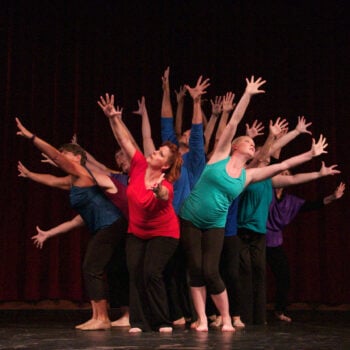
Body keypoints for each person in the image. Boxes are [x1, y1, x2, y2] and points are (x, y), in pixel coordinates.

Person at [178, 75, 329, 332]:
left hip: (216, 222)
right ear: (236, 146)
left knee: (211, 271)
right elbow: (234, 120)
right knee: (194, 269)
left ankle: (226, 317)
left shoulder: (249, 175)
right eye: (248, 142)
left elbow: (282, 165)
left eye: (252, 144)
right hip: (191, 217)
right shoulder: (219, 156)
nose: (252, 145)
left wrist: (310, 154)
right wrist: (247, 94)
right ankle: (201, 319)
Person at [16, 119, 128, 331]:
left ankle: (102, 318)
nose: (62, 158)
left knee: (91, 267)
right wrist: (30, 175)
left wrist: (32, 138)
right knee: (94, 268)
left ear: (77, 157)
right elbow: (51, 179)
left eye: (66, 155)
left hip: (112, 223)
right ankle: (97, 316)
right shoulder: (72, 180)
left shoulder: (82, 172)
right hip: (106, 226)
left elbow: (56, 158)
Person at [98, 93, 183, 333]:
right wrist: (113, 118)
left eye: (160, 154)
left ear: (165, 165)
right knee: (135, 271)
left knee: (151, 272)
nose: (154, 152)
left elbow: (165, 198)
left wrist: (158, 193)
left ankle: (162, 321)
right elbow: (126, 141)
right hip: (136, 231)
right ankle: (139, 322)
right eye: (157, 150)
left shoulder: (165, 185)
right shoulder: (139, 165)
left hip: (164, 234)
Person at [267, 176, 345, 322]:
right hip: (256, 238)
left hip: (274, 242)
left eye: (286, 174)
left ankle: (279, 311)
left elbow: (311, 205)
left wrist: (333, 197)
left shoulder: (289, 201)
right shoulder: (265, 193)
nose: (283, 176)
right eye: (280, 173)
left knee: (284, 276)